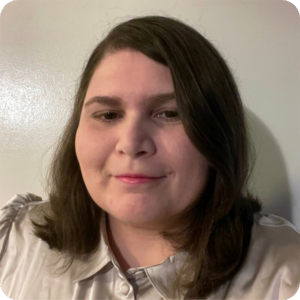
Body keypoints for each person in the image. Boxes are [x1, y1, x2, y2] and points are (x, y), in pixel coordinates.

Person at [0, 15, 299, 300]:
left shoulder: (285, 273)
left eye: (169, 113)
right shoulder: (12, 242)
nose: (131, 144)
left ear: (217, 134)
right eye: (108, 114)